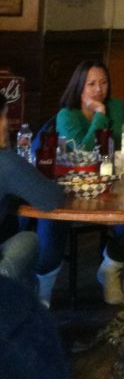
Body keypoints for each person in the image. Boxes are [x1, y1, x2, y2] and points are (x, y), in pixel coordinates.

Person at [36, 60, 124, 305]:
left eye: (104, 83)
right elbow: (84, 153)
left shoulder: (116, 106)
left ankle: (110, 269)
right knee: (50, 222)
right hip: (70, 188)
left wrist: (105, 115)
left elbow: (119, 144)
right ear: (79, 87)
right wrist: (100, 116)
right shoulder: (66, 115)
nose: (99, 89)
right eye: (91, 84)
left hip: (108, 184)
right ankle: (43, 291)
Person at [0, 95, 65, 295]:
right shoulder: (6, 162)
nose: (7, 124)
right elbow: (52, 199)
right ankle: (36, 304)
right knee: (29, 239)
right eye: (3, 117)